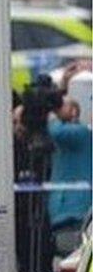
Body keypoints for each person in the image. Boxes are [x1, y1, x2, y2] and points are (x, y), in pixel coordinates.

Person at [47, 94, 91, 256]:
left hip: (73, 210)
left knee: (72, 253)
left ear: (73, 111)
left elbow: (55, 131)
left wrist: (50, 114)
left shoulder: (80, 133)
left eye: (61, 106)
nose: (57, 109)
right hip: (66, 208)